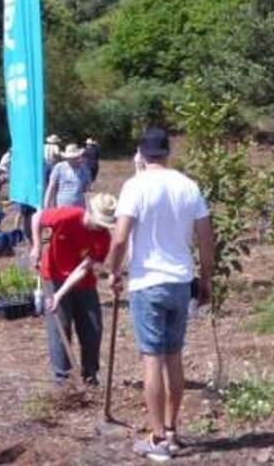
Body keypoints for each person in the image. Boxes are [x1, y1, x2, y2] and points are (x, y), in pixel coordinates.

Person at [105, 128, 215, 461]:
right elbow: (207, 238)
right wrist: (206, 280)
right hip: (180, 282)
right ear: (167, 153)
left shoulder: (134, 186)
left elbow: (121, 238)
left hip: (147, 282)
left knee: (152, 359)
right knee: (174, 356)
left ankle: (157, 440)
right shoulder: (188, 186)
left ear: (141, 153)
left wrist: (113, 271)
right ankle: (171, 430)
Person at [31, 193, 117, 386]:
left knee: (93, 327)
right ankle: (63, 380)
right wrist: (36, 246)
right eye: (100, 221)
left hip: (83, 282)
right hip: (53, 275)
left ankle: (90, 376)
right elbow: (37, 217)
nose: (102, 226)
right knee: (60, 327)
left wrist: (59, 296)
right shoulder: (67, 216)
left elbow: (83, 268)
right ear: (90, 212)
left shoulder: (103, 237)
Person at [43, 143, 93, 210]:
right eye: (75, 158)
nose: (78, 160)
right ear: (68, 159)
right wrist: (46, 206)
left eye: (78, 157)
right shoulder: (59, 167)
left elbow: (88, 190)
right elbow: (51, 187)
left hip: (79, 208)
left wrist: (89, 208)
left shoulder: (84, 169)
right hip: (62, 207)